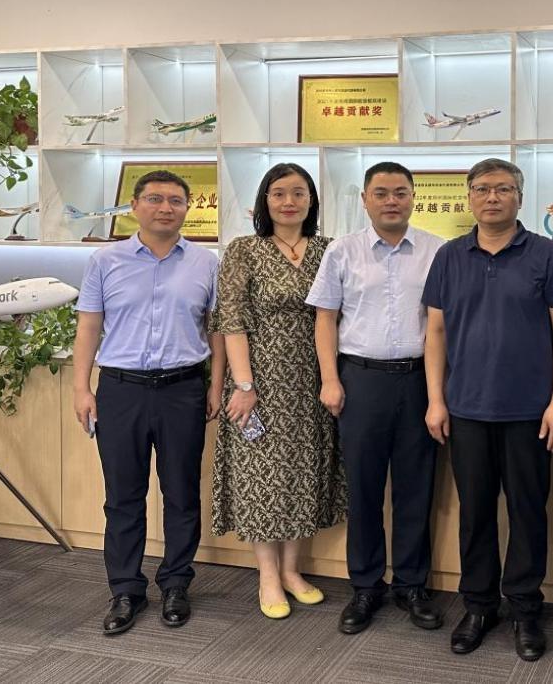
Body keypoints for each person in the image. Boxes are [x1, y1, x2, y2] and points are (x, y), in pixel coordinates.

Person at [422, 157, 553, 662]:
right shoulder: (449, 257)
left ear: (519, 197)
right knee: (475, 514)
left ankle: (525, 610)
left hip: (531, 411)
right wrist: (436, 399)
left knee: (528, 513)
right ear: (469, 197)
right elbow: (436, 332)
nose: (493, 197)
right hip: (466, 408)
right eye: (483, 189)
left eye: (504, 189)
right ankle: (479, 605)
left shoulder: (548, 256)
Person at [72, 169, 224, 636]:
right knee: (123, 496)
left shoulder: (206, 262)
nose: (165, 208)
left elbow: (217, 331)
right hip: (121, 391)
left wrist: (217, 386)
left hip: (183, 389)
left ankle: (176, 583)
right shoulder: (105, 260)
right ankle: (125, 589)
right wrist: (81, 388)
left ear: (187, 208)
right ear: (135, 206)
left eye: (176, 200)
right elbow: (89, 327)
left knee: (181, 492)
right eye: (155, 199)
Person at [306, 161, 446, 635]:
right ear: (365, 199)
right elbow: (325, 319)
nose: (391, 201)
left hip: (418, 380)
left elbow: (440, 326)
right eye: (381, 193)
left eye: (400, 192)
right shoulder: (342, 251)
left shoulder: (436, 251)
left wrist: (437, 394)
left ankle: (411, 584)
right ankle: (366, 586)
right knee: (363, 488)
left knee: (415, 488)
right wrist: (330, 379)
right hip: (360, 379)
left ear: (413, 198)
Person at [210, 162, 347, 620]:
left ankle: (292, 571)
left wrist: (331, 377)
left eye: (299, 193)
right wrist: (244, 384)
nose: (289, 201)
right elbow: (231, 320)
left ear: (311, 200)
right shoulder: (244, 250)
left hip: (315, 380)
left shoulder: (329, 249)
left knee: (303, 474)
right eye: (279, 193)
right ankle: (267, 575)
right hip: (259, 381)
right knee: (261, 477)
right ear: (264, 201)